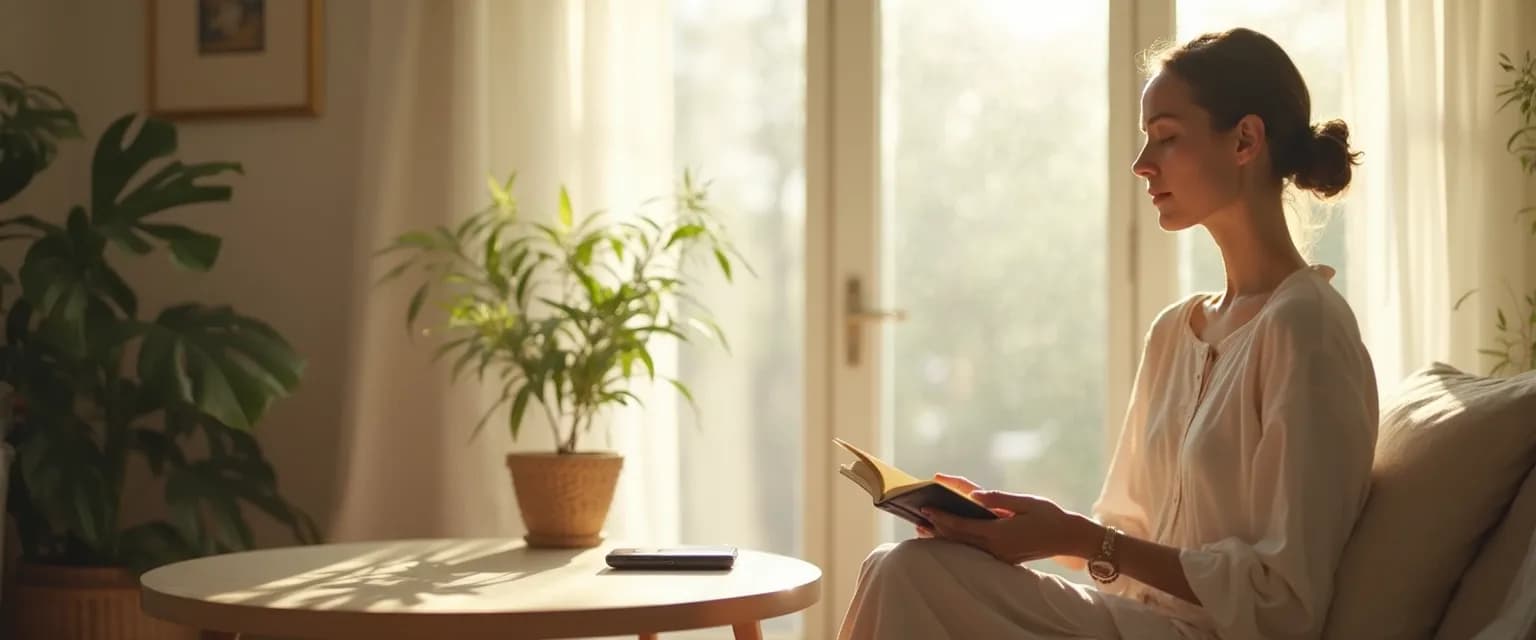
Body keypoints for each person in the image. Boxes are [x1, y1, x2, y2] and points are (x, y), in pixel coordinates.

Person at [838, 28, 1378, 640]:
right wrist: (1009, 526)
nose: (1142, 163)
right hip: (1136, 622)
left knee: (906, 576)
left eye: (1167, 137)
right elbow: (1120, 545)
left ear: (1245, 140)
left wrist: (1079, 536)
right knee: (906, 566)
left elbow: (1285, 601)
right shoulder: (1176, 331)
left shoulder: (1306, 327)